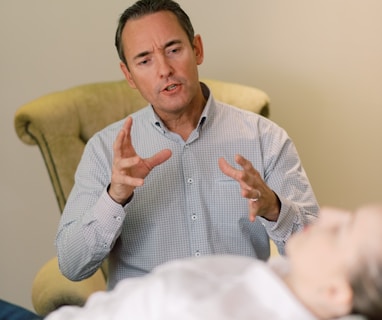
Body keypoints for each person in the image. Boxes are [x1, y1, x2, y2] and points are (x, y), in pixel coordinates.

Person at [56, 0, 318, 290]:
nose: (164, 70)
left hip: (236, 308)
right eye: (145, 60)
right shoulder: (104, 149)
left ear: (197, 50)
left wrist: (275, 209)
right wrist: (114, 197)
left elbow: (319, 255)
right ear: (128, 74)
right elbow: (72, 265)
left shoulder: (264, 138)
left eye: (174, 50)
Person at [45, 204, 382, 320]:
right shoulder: (288, 278)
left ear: (338, 293)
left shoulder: (203, 310)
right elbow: (72, 263)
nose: (327, 213)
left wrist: (274, 208)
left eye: (341, 231)